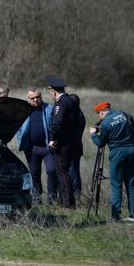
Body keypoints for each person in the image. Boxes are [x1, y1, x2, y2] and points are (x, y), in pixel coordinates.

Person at [89, 102, 134, 222]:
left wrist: (93, 135)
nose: (99, 117)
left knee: (116, 184)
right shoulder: (126, 115)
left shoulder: (106, 123)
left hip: (117, 153)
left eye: (99, 114)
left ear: (102, 112)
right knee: (132, 184)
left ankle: (115, 216)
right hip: (132, 151)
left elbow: (100, 143)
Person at [15, 87, 57, 204]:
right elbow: (18, 128)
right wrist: (21, 141)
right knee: (34, 174)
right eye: (32, 98)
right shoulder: (24, 110)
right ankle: (36, 198)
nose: (35, 100)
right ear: (28, 99)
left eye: (37, 97)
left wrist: (54, 140)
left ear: (41, 97)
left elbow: (56, 126)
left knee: (52, 170)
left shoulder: (49, 109)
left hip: (47, 147)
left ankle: (52, 198)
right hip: (31, 148)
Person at [46, 75, 80, 208]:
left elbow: (57, 124)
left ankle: (68, 203)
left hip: (62, 143)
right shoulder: (72, 101)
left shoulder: (61, 103)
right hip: (71, 142)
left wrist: (53, 139)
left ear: (53, 91)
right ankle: (68, 201)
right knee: (66, 171)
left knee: (62, 172)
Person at [69, 93, 86, 203]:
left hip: (73, 147)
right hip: (77, 147)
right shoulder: (80, 114)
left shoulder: (76, 116)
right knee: (74, 171)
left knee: (73, 172)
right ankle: (75, 195)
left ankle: (76, 196)